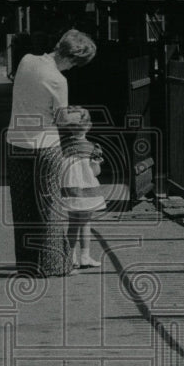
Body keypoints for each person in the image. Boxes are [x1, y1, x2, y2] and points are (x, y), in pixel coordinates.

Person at [5, 28, 97, 277]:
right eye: (75, 64)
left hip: (16, 142)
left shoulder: (26, 60)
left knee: (23, 207)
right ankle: (55, 265)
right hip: (44, 146)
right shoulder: (58, 80)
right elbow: (61, 119)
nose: (72, 69)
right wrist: (80, 114)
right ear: (71, 58)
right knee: (49, 207)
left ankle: (27, 264)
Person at [59, 106, 106, 269]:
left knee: (72, 224)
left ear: (70, 127)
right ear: (89, 126)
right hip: (88, 190)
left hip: (70, 190)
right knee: (85, 223)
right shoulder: (93, 148)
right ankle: (85, 256)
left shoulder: (63, 147)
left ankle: (70, 257)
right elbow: (96, 171)